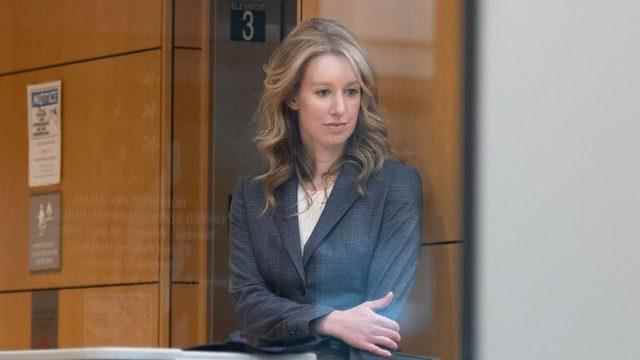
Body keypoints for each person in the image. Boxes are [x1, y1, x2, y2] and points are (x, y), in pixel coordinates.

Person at [227, 18, 423, 360]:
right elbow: (249, 304)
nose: (340, 109)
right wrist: (327, 320)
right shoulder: (252, 196)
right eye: (323, 92)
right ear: (292, 98)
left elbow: (381, 320)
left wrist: (291, 317)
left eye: (351, 91)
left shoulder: (395, 186)